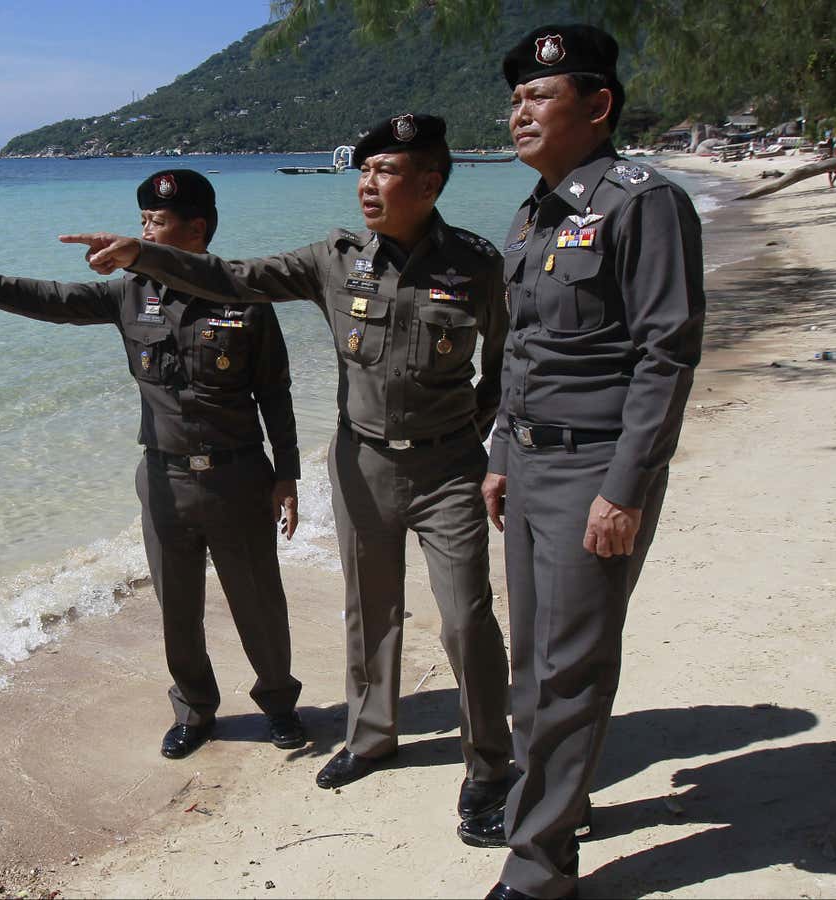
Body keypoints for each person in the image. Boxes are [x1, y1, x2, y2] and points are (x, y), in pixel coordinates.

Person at [61, 114, 516, 820]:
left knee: (466, 619)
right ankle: (371, 740)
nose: (367, 183)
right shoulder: (334, 258)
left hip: (449, 468)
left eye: (385, 172)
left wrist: (493, 443)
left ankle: (490, 762)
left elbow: (507, 362)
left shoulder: (477, 264)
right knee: (370, 615)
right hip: (361, 465)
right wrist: (143, 258)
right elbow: (235, 276)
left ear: (429, 183)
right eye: (364, 171)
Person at [0, 170, 308, 759]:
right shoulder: (131, 293)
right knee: (177, 609)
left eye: (156, 223)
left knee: (259, 603)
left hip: (238, 476)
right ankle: (195, 710)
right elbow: (53, 301)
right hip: (163, 478)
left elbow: (276, 390)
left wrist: (286, 474)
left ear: (197, 229)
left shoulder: (244, 295)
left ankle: (279, 705)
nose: (143, 231)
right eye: (141, 221)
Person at [472, 24, 706, 900]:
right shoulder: (538, 210)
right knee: (533, 667)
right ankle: (556, 806)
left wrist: (625, 488)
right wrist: (500, 451)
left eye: (538, 96)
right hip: (530, 468)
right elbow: (526, 352)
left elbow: (664, 356)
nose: (518, 112)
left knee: (571, 668)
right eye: (515, 100)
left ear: (598, 104)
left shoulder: (644, 202)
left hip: (595, 471)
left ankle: (540, 866)